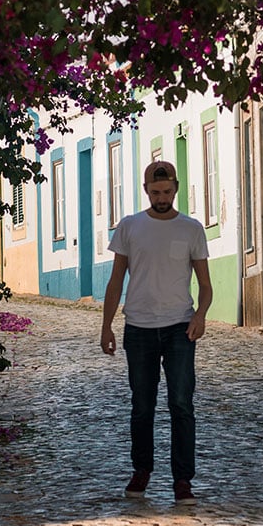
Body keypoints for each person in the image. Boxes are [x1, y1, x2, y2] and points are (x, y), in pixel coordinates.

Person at [100, 160, 213, 505]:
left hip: (180, 328)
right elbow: (117, 279)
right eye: (155, 191)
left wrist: (201, 315)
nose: (161, 197)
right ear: (146, 190)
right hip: (139, 328)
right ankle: (142, 471)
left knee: (181, 404)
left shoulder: (191, 229)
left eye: (166, 191)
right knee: (142, 406)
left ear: (175, 189)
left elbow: (205, 285)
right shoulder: (130, 227)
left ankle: (182, 480)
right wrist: (106, 325)